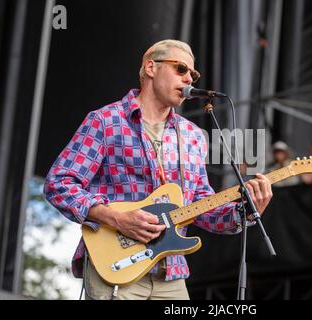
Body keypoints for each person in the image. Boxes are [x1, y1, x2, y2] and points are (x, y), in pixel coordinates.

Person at [43, 39, 273, 300]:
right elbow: (59, 183)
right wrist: (115, 218)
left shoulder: (193, 136)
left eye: (193, 74)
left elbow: (201, 206)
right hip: (116, 268)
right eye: (180, 69)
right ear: (151, 68)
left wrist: (247, 210)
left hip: (171, 274)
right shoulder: (106, 121)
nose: (189, 79)